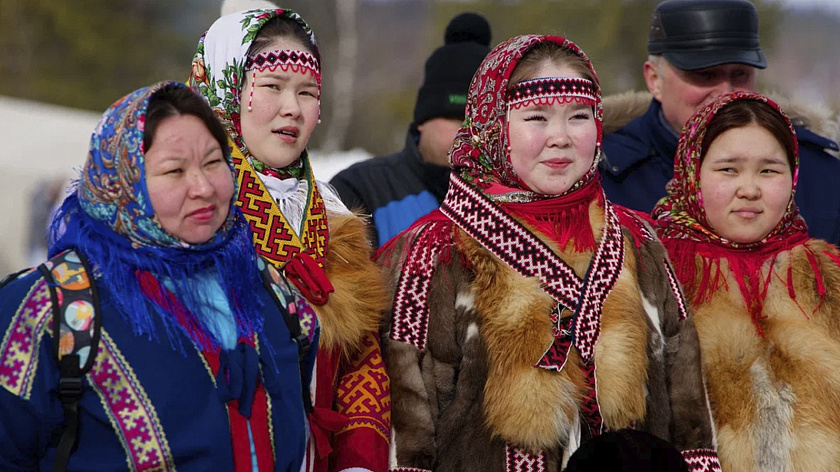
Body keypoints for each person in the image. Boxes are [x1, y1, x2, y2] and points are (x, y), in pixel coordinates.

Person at [377, 34, 720, 472]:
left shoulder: (640, 241)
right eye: (536, 117)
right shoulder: (431, 255)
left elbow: (688, 410)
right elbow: (408, 435)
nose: (560, 137)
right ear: (494, 126)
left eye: (579, 116)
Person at [0, 81, 318, 471]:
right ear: (123, 183)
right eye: (174, 170)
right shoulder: (51, 310)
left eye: (214, 162)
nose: (203, 187)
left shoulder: (270, 290)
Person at [189, 7, 390, 472]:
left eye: (307, 92)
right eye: (273, 87)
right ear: (227, 89)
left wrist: (359, 461)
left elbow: (361, 361)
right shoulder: (190, 207)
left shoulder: (334, 217)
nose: (292, 109)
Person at [652, 91, 840, 472]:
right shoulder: (656, 275)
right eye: (728, 169)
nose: (750, 189)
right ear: (693, 173)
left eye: (769, 170)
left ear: (793, 176)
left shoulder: (826, 276)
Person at [599, 0, 840, 245]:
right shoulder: (602, 175)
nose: (726, 92)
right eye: (705, 75)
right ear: (654, 80)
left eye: (740, 74)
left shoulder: (821, 174)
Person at [329, 12, 492, 247]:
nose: (471, 135)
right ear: (423, 120)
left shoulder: (516, 196)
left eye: (482, 124)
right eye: (459, 119)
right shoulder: (360, 190)